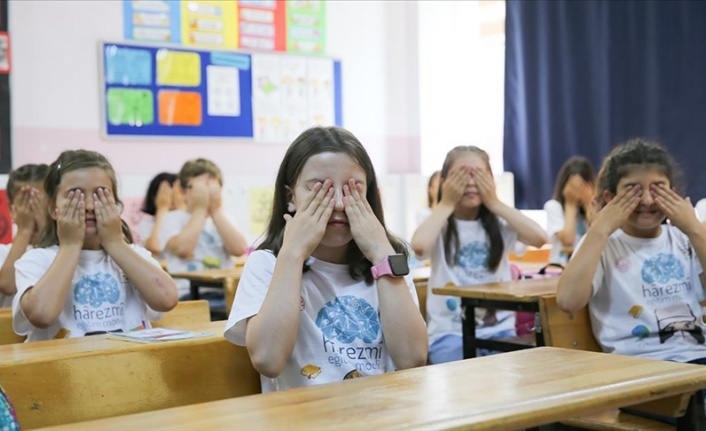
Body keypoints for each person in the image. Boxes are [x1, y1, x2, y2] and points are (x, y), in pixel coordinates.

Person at [224, 126, 428, 392]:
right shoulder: (268, 263)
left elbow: (412, 359)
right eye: (321, 189)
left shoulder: (387, 261)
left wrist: (381, 254)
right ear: (291, 197)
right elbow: (268, 360)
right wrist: (293, 254)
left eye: (354, 189)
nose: (340, 204)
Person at [557, 138, 706, 365]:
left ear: (673, 194)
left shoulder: (685, 238)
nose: (646, 200)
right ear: (610, 198)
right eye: (632, 190)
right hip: (641, 364)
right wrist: (600, 229)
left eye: (658, 189)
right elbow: (568, 301)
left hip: (697, 357)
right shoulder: (601, 244)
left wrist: (695, 229)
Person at [12, 150, 178, 342]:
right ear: (52, 208)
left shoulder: (133, 255)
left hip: (129, 368)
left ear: (115, 205)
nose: (89, 205)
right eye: (76, 195)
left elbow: (167, 299)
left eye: (101, 195)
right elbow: (42, 315)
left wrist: (115, 242)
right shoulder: (37, 260)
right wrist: (71, 245)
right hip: (63, 370)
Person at [411, 146, 548, 364]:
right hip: (450, 334)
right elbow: (418, 247)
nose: (471, 182)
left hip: (501, 332)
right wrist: (447, 202)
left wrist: (494, 202)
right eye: (462, 175)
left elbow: (540, 238)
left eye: (479, 175)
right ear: (445, 181)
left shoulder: (500, 221)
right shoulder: (436, 219)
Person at [159, 158, 248, 300]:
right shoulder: (173, 218)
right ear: (183, 192)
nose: (207, 192)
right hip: (189, 294)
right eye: (200, 187)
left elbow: (239, 250)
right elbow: (182, 250)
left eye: (211, 187)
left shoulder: (224, 218)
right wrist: (199, 210)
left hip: (225, 292)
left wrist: (216, 211)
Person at [0, 163, 49, 308]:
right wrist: (24, 231)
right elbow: (7, 285)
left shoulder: (62, 250)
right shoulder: (3, 252)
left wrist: (46, 230)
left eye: (39, 204)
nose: (33, 213)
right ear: (12, 209)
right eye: (26, 205)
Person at [543, 156, 595, 265]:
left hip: (588, 265)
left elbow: (598, 231)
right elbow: (568, 240)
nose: (577, 192)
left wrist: (588, 202)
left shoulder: (595, 209)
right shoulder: (553, 206)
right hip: (561, 266)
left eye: (582, 187)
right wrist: (570, 204)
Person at [139, 172, 185, 258]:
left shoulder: (187, 217)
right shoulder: (146, 223)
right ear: (154, 197)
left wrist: (182, 207)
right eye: (165, 193)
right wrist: (161, 210)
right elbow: (154, 248)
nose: (171, 198)